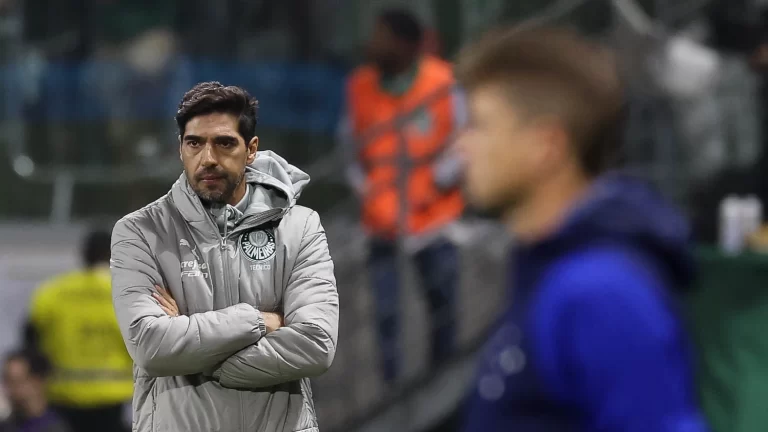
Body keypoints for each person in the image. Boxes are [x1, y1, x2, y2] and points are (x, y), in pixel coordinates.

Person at [455, 27, 709, 431]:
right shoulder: (549, 268)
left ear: (547, 146)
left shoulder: (598, 291)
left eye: (480, 125)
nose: (461, 146)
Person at [110, 81, 339, 432]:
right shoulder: (140, 231)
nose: (208, 159)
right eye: (195, 143)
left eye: (224, 143)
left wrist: (200, 359)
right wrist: (260, 321)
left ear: (251, 149)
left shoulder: (300, 226)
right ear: (180, 149)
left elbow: (316, 345)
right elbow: (151, 347)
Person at [339, 8, 465, 384]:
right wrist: (366, 189)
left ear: (407, 44)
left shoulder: (442, 82)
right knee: (387, 315)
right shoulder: (360, 85)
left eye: (382, 36)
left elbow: (463, 140)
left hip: (434, 221)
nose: (373, 44)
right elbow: (347, 146)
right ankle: (393, 393)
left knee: (442, 305)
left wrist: (437, 183)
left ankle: (441, 381)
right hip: (382, 224)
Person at [24, 230, 133, 432]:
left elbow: (30, 340)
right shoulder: (129, 292)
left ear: (83, 255)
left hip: (62, 394)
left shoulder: (52, 291)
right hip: (112, 396)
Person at [0, 350, 70, 432]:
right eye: (6, 381)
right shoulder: (6, 425)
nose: (8, 389)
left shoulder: (55, 427)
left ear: (37, 381)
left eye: (14, 381)